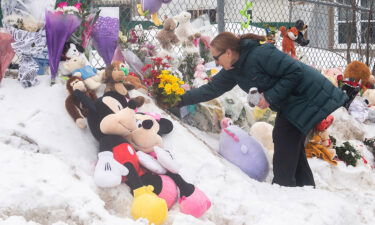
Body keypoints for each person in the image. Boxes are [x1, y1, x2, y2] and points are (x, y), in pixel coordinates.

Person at [176, 32, 349, 187]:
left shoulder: (260, 54)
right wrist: (179, 99)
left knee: (284, 136)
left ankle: (284, 187)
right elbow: (211, 89)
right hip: (294, 99)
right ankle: (303, 187)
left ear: (228, 52)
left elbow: (294, 71)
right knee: (289, 140)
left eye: (216, 57)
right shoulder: (234, 69)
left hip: (308, 94)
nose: (215, 62)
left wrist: (269, 97)